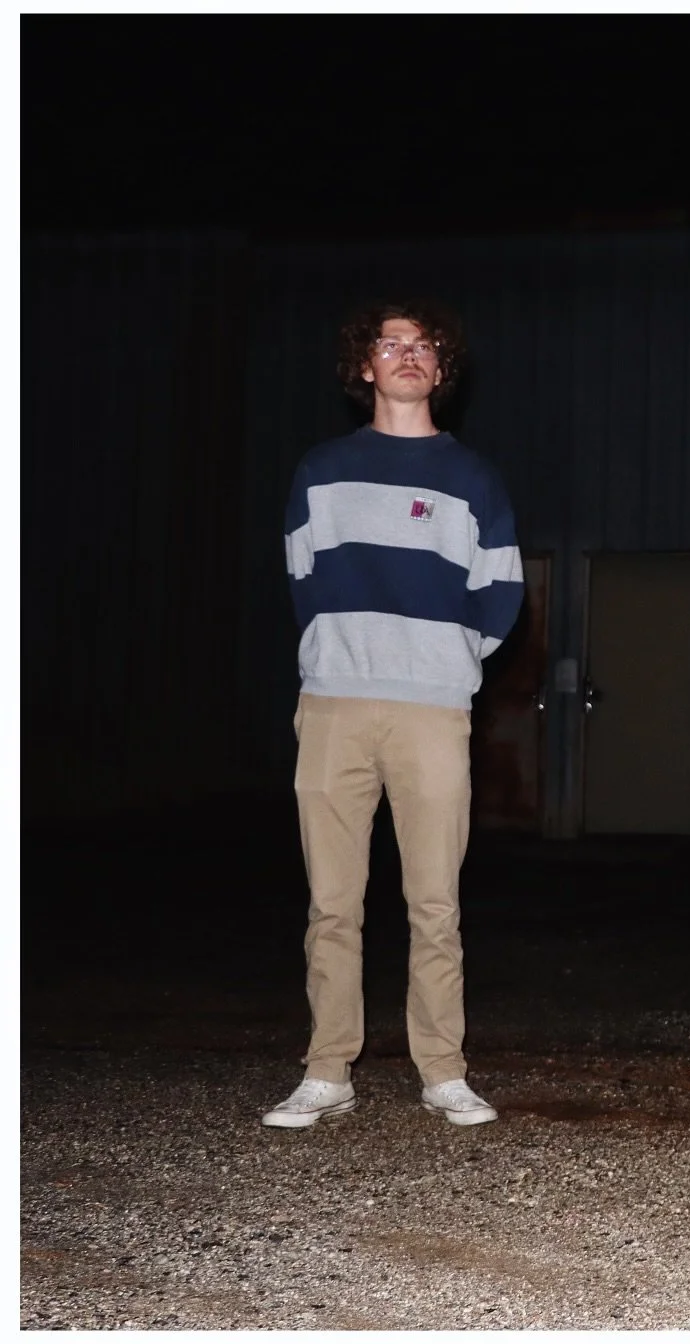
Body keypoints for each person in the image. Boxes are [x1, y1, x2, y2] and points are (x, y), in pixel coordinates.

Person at [262, 301, 523, 1128]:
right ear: (363, 367)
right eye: (390, 344)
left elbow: (503, 592)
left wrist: (444, 664)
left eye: (424, 347)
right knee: (332, 903)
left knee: (434, 900)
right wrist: (349, 655)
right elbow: (303, 578)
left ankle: (442, 1068)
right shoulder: (321, 470)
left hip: (432, 710)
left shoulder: (474, 478)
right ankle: (327, 1070)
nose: (408, 355)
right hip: (334, 702)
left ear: (441, 371)